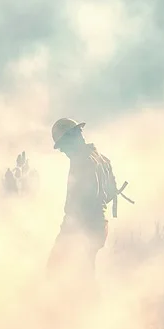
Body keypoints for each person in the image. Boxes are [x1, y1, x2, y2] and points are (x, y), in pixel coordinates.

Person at [46, 117, 132, 302]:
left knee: (57, 268)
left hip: (83, 228)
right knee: (85, 272)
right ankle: (85, 313)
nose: (62, 150)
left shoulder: (81, 162)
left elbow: (81, 203)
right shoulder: (101, 158)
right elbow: (109, 195)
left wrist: (70, 231)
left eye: (63, 145)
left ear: (74, 136)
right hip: (98, 225)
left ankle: (71, 314)